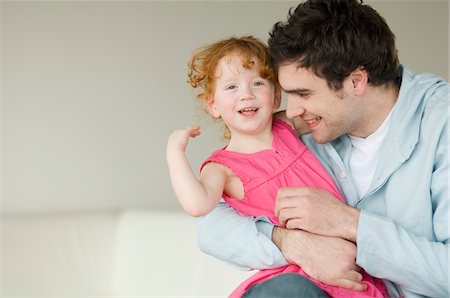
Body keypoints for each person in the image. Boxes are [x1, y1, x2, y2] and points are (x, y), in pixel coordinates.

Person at [197, 1, 449, 298]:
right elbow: (211, 229)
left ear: (356, 81)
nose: (291, 111)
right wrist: (290, 243)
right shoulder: (308, 129)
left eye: (303, 94)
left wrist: (350, 224)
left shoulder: (440, 124)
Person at [166, 35, 388, 297]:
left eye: (258, 83)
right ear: (213, 105)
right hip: (296, 270)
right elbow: (198, 205)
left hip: (346, 261)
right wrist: (174, 152)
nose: (246, 94)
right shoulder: (223, 168)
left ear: (276, 97)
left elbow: (334, 112)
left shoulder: (288, 125)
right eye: (231, 87)